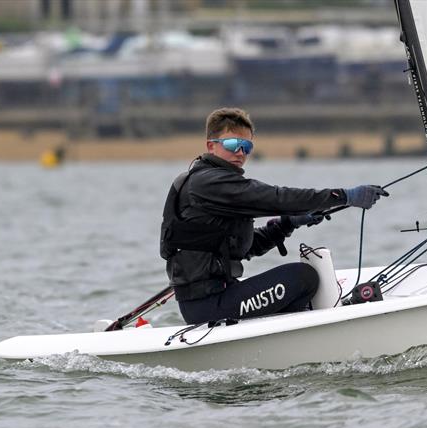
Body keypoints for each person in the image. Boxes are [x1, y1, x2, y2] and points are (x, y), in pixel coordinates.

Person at [160, 107, 388, 325]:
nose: (240, 153)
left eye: (246, 147)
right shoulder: (209, 183)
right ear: (211, 146)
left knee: (306, 277)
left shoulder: (213, 184)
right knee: (304, 277)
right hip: (208, 306)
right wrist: (344, 196)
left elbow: (243, 247)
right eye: (232, 144)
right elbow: (276, 198)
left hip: (215, 298)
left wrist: (286, 224)